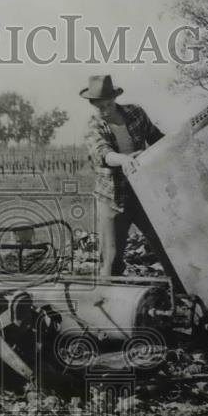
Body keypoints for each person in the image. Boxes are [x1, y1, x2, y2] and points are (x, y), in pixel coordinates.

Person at [82, 75, 165, 276]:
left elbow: (156, 138)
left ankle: (181, 297)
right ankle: (110, 299)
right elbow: (104, 154)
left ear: (115, 99)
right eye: (99, 107)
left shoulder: (135, 113)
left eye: (108, 105)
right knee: (111, 258)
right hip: (112, 198)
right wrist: (125, 159)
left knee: (165, 245)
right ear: (93, 104)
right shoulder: (93, 126)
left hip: (142, 194)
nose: (105, 111)